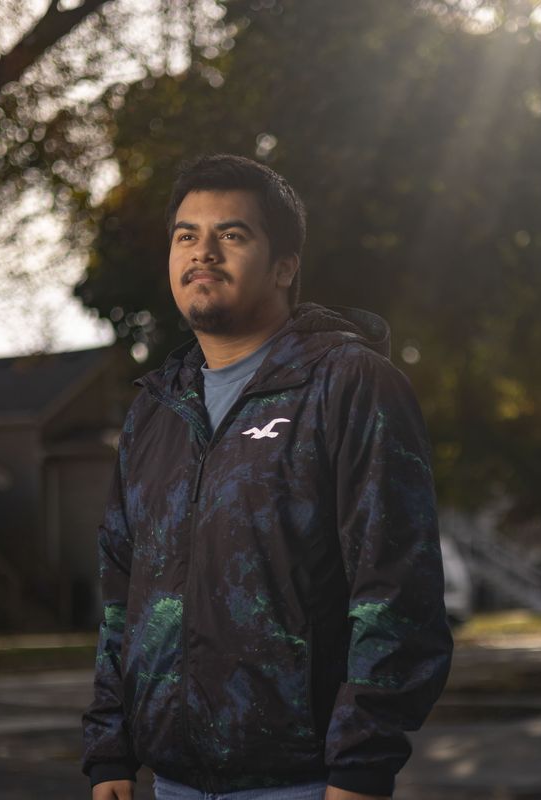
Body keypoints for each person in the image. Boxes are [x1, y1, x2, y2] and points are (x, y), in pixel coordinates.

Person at [81, 154, 453, 800]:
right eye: (186, 236)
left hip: (304, 783)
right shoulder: (156, 410)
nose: (204, 252)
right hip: (171, 781)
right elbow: (122, 590)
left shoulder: (350, 385)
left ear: (285, 266)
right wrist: (111, 748)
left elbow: (395, 590)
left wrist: (362, 768)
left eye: (232, 235)